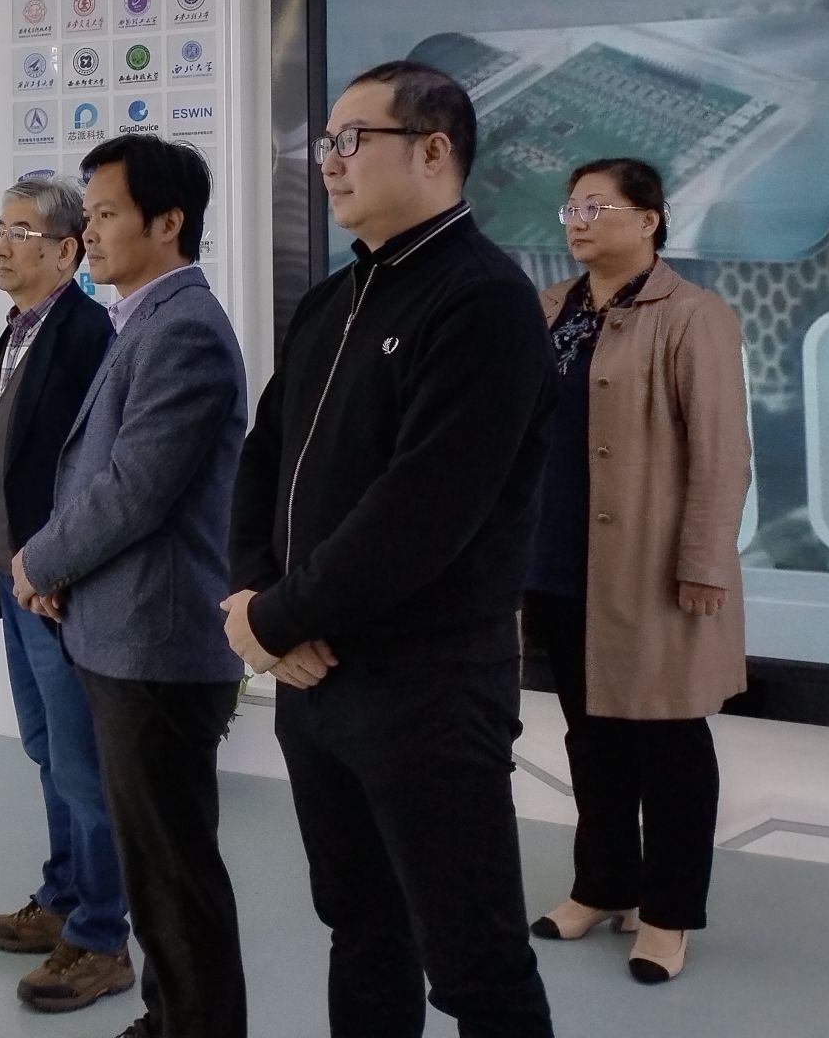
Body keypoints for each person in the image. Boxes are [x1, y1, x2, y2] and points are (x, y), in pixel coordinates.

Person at [227, 60, 555, 1038]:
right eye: (323, 142)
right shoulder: (331, 301)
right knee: (359, 930)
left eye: (349, 140)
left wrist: (273, 620)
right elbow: (261, 461)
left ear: (432, 150)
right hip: (314, 683)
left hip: (425, 691)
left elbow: (420, 513)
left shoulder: (483, 302)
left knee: (475, 965)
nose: (327, 161)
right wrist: (253, 600)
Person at [12, 135, 250, 1038]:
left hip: (158, 643)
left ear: (168, 222)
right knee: (156, 868)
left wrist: (41, 563)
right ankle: (169, 1018)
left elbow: (132, 490)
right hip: (122, 631)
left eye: (108, 213)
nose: (91, 231)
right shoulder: (140, 320)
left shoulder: (183, 328)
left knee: (174, 871)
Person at [525, 158, 750, 985]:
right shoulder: (550, 308)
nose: (578, 222)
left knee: (670, 744)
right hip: (557, 559)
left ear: (649, 219)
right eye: (571, 208)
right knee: (592, 739)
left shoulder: (692, 315)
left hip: (651, 568)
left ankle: (667, 914)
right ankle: (603, 886)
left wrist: (703, 561)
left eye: (597, 207)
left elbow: (722, 453)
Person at [0, 176, 127, 1015]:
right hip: (13, 577)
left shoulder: (86, 334)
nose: (2, 245)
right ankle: (63, 897)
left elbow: (90, 473)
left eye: (21, 233)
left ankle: (100, 937)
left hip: (54, 588)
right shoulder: (21, 327)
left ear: (67, 251)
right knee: (48, 751)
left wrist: (55, 570)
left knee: (83, 767)